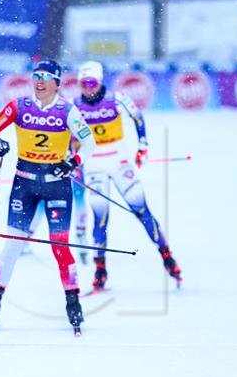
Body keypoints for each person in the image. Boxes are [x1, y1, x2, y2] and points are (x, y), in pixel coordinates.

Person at [0, 59, 96, 335]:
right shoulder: (19, 106)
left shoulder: (68, 110)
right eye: (36, 76)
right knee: (12, 246)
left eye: (46, 77)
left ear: (57, 83)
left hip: (57, 186)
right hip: (24, 186)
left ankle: (73, 304)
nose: (39, 82)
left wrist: (72, 162)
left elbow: (89, 142)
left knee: (59, 246)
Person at [73, 61, 182, 291]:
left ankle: (167, 257)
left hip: (119, 161)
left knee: (142, 210)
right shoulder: (74, 105)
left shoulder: (117, 98)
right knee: (100, 218)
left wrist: (142, 145)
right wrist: (71, 157)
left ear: (100, 81)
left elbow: (138, 117)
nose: (88, 88)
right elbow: (70, 134)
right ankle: (100, 271)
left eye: (92, 83)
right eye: (83, 83)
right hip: (93, 165)